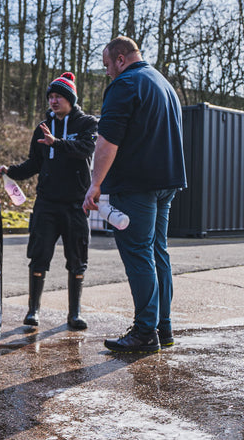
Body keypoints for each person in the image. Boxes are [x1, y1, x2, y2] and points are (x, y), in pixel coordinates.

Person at [83, 36, 186, 353]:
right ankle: (163, 328)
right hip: (167, 182)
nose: (107, 73)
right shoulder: (164, 85)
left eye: (106, 66)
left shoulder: (125, 84)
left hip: (136, 186)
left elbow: (107, 139)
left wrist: (95, 184)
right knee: (158, 253)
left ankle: (144, 332)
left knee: (139, 254)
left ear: (120, 59)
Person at [0, 72, 98, 330]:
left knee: (77, 259)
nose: (53, 101)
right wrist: (10, 171)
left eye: (58, 97)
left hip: (76, 204)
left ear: (70, 99)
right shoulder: (42, 126)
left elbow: (87, 149)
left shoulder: (87, 123)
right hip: (47, 204)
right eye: (50, 97)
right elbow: (34, 164)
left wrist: (58, 143)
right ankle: (34, 310)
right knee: (39, 256)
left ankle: (74, 314)